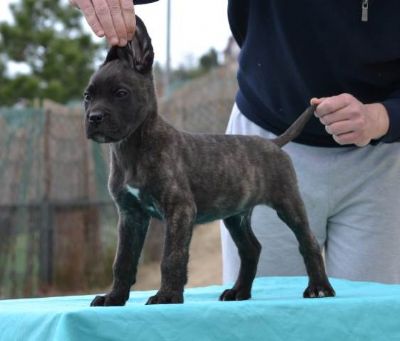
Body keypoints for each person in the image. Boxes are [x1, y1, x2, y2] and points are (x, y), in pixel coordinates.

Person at [72, 0, 400, 284]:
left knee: (373, 321)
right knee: (262, 320)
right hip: (259, 146)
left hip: (382, 158)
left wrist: (385, 116)